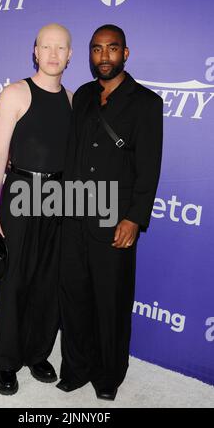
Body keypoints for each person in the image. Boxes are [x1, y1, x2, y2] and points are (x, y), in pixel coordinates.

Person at [57, 24, 163, 401]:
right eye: (97, 50)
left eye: (112, 49)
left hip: (115, 220)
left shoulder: (146, 103)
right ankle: (75, 367)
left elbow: (149, 168)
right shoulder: (83, 95)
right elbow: (71, 155)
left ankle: (107, 376)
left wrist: (134, 217)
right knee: (74, 295)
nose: (104, 57)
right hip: (73, 214)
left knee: (110, 301)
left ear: (125, 53)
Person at [0, 23, 73, 395]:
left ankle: (37, 353)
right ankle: (6, 362)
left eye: (60, 47)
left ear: (69, 54)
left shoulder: (71, 100)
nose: (52, 53)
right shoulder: (15, 93)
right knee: (15, 279)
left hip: (61, 195)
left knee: (49, 280)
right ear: (35, 51)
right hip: (21, 190)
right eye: (46, 46)